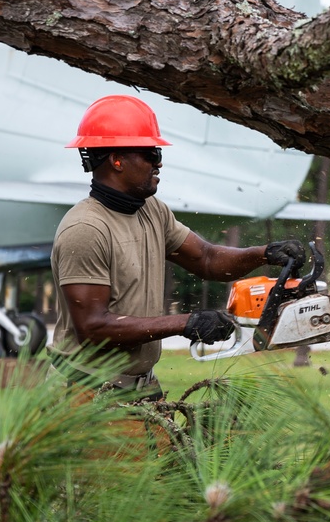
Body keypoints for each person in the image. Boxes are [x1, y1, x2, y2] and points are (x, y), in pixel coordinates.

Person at [49, 94, 305, 399]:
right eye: (150, 153)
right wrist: (186, 323)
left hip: (137, 388)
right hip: (87, 392)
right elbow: (93, 329)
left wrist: (263, 254)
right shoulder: (86, 229)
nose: (159, 162)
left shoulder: (151, 210)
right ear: (117, 160)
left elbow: (207, 258)